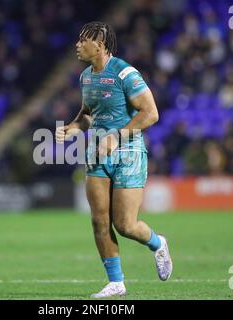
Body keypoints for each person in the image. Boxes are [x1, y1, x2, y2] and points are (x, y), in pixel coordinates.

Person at [56, 21, 173, 298]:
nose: (77, 44)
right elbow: (88, 113)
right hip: (97, 154)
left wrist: (116, 136)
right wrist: (73, 126)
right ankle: (116, 283)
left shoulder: (125, 73)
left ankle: (158, 243)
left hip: (128, 154)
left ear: (100, 44)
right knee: (99, 220)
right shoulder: (86, 77)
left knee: (125, 225)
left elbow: (151, 113)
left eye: (83, 40)